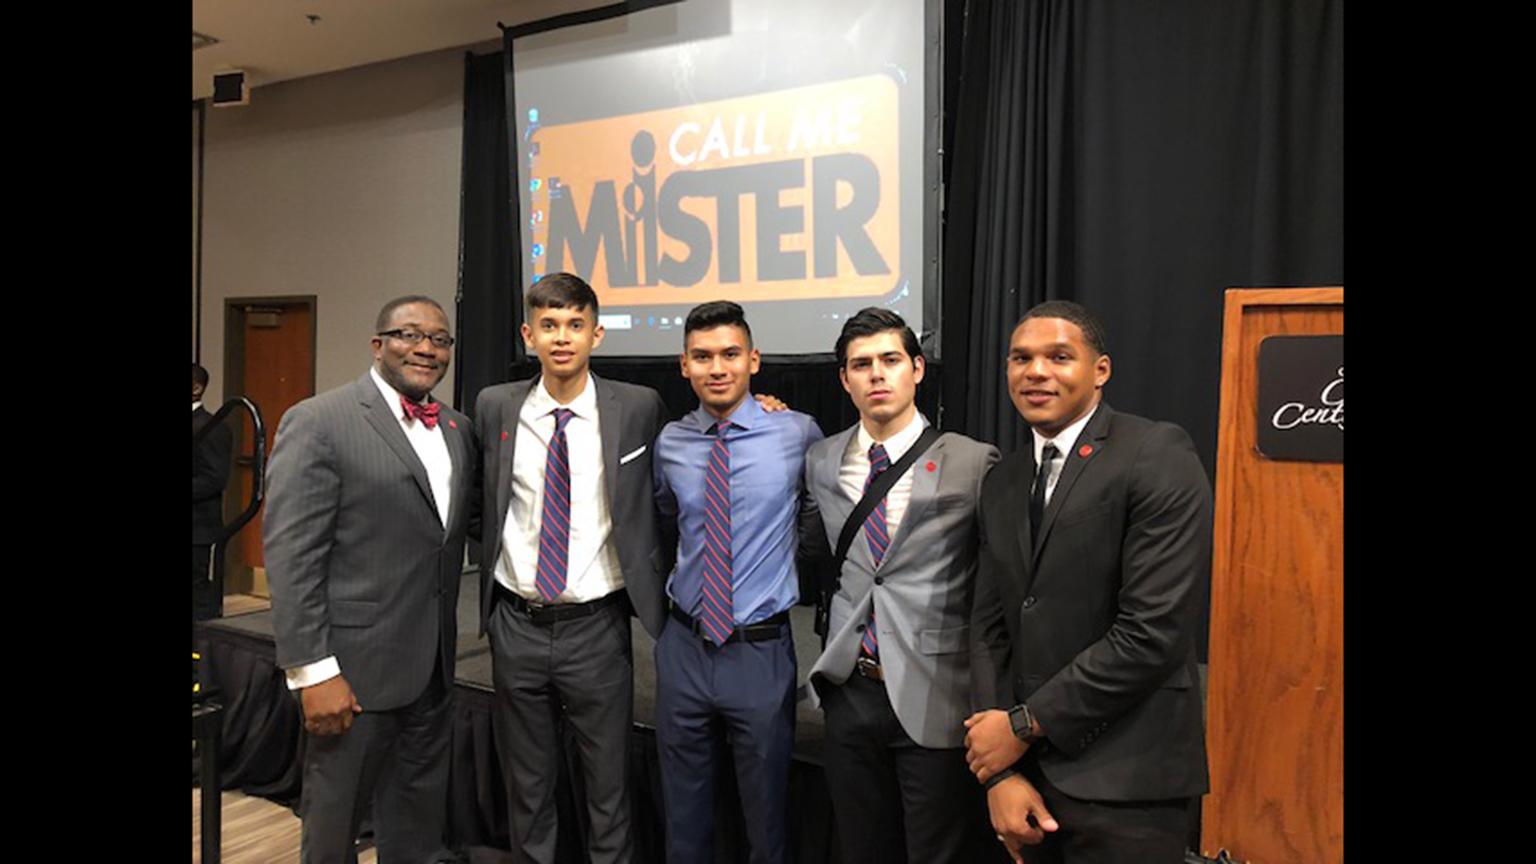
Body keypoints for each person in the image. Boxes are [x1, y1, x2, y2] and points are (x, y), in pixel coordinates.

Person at [965, 300, 1211, 864]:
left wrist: (1024, 725)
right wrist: (998, 769)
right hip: (1023, 783)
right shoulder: (1003, 480)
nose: (1036, 372)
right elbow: (989, 625)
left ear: (1100, 370)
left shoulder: (1156, 453)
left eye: (1059, 357)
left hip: (1128, 783)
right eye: (1020, 358)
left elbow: (1152, 631)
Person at [264, 295, 479, 864]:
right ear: (378, 344)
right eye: (411, 335)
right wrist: (312, 673)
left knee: (415, 827)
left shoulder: (458, 428)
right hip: (352, 675)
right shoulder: (319, 421)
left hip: (431, 670)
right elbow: (291, 557)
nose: (426, 349)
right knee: (334, 831)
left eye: (439, 339)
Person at [472, 273, 668, 864]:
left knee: (608, 788)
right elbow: (484, 505)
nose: (562, 338)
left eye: (575, 325)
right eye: (549, 326)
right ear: (528, 334)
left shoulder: (637, 407)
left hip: (597, 628)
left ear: (596, 334)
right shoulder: (494, 406)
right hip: (516, 623)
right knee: (527, 788)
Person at [800, 308, 1003, 864]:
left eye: (890, 360)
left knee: (937, 851)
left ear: (916, 368)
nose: (877, 375)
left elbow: (996, 581)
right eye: (861, 365)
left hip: (937, 688)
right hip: (850, 686)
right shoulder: (821, 458)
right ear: (845, 379)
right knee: (863, 846)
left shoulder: (971, 460)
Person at [652, 300, 824, 864]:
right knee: (683, 816)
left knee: (766, 818)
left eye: (730, 354)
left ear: (754, 360)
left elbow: (815, 517)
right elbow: (667, 521)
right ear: (684, 366)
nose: (717, 367)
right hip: (684, 647)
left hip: (760, 651)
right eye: (702, 357)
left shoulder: (797, 432)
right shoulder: (671, 442)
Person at [193, 362, 233, 622]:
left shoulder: (212, 426)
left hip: (197, 526)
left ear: (196, 388)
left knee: (195, 591)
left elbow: (214, 478)